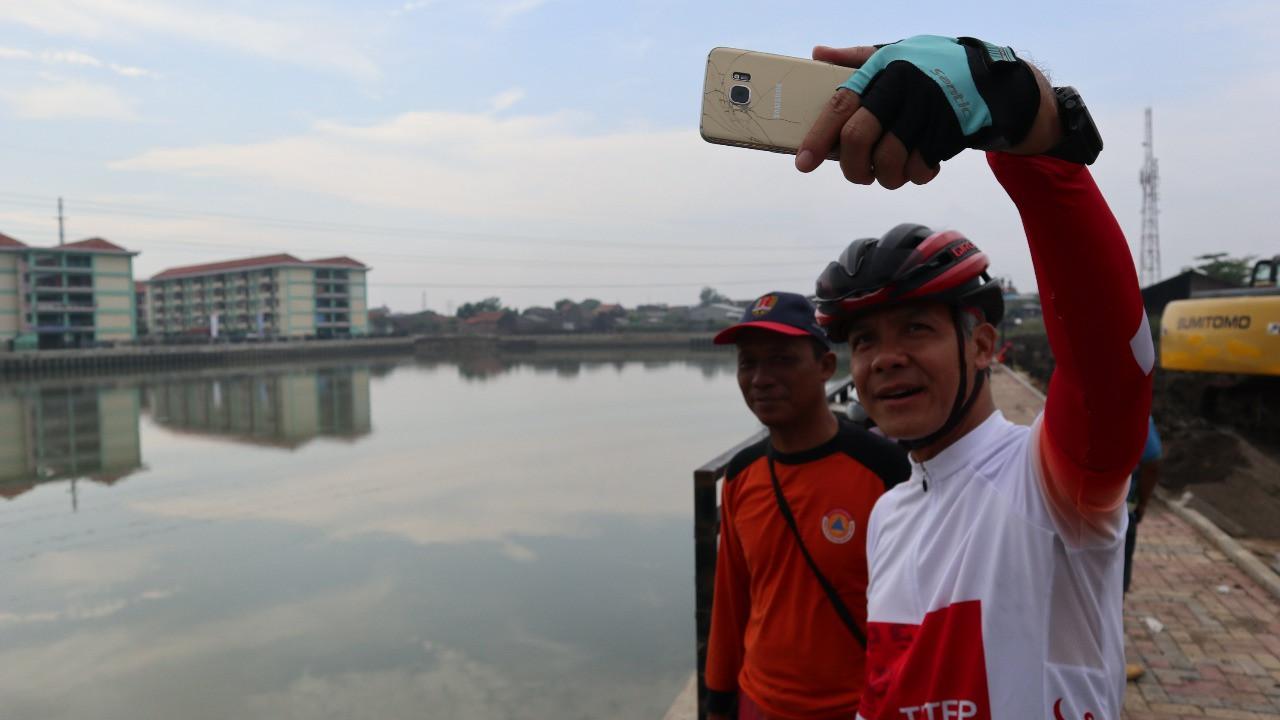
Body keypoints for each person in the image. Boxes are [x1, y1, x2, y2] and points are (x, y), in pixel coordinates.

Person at [795, 35, 1154, 719]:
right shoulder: (890, 515)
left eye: (917, 329)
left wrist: (1025, 122)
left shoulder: (1054, 484)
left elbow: (1115, 365)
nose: (884, 358)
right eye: (864, 339)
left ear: (985, 345)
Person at [704, 291, 910, 720]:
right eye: (748, 363)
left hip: (859, 705)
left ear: (825, 367)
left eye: (782, 359)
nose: (761, 378)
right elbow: (730, 601)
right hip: (759, 702)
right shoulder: (742, 476)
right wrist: (719, 699)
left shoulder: (885, 470)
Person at [1124, 416, 1163, 682]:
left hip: (1066, 513)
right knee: (1111, 591)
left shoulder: (1067, 401)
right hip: (1117, 515)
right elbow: (1152, 460)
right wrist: (1144, 505)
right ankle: (1105, 660)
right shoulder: (1131, 408)